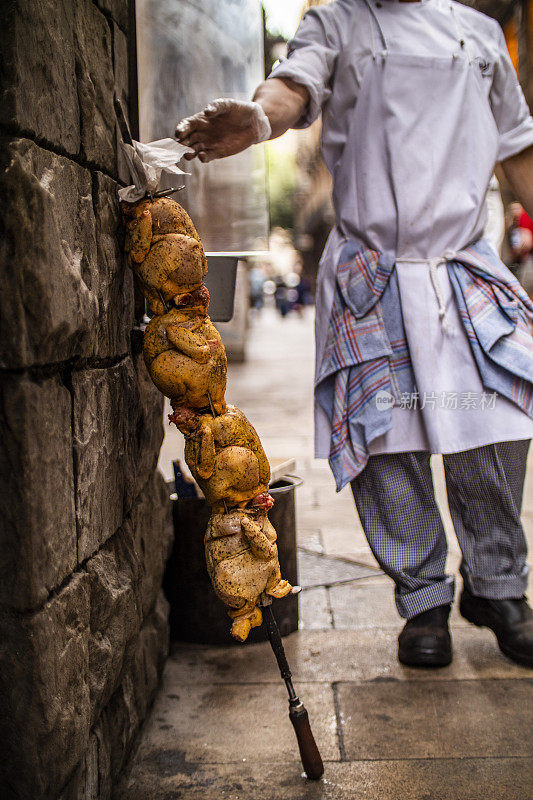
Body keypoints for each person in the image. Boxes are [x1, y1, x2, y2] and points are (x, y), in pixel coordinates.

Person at [175, 0, 533, 668]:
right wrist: (257, 119)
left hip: (462, 264)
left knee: (500, 418)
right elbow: (292, 87)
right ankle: (422, 599)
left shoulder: (481, 34)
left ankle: (496, 585)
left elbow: (516, 149)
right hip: (374, 269)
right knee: (385, 440)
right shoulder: (335, 21)